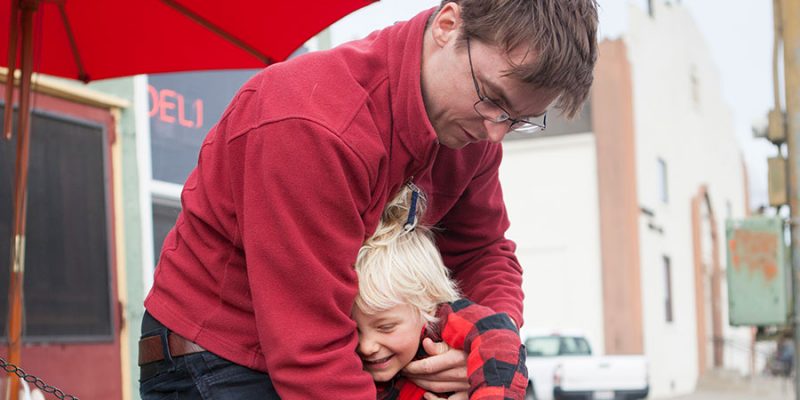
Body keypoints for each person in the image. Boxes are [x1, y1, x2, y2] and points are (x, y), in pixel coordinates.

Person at [139, 1, 598, 399]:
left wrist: (489, 340)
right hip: (218, 362)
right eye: (491, 98)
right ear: (447, 26)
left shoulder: (474, 134)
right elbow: (309, 350)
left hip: (333, 351)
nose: (495, 131)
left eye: (518, 119)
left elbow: (483, 251)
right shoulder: (314, 124)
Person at [353, 184, 528, 400]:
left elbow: (497, 337)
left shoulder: (446, 323)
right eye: (355, 330)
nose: (366, 346)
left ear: (427, 304)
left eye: (386, 327)